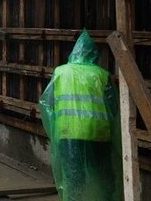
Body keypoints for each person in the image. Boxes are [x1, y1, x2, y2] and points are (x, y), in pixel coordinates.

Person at [39, 30, 122, 201]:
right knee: (104, 176)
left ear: (73, 52)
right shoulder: (102, 74)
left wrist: (54, 127)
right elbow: (113, 107)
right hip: (98, 133)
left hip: (69, 133)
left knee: (73, 179)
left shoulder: (60, 72)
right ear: (93, 54)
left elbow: (47, 103)